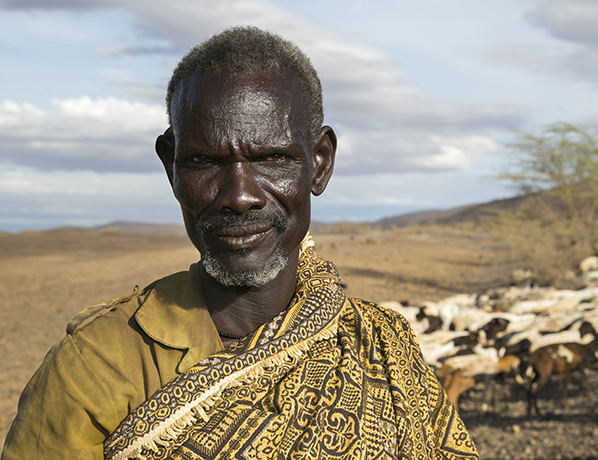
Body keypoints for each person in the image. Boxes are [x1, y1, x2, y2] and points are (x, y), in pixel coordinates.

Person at [1, 27, 479, 459]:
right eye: (205, 160)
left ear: (320, 164)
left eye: (271, 157)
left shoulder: (383, 348)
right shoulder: (96, 366)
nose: (239, 196)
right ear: (171, 167)